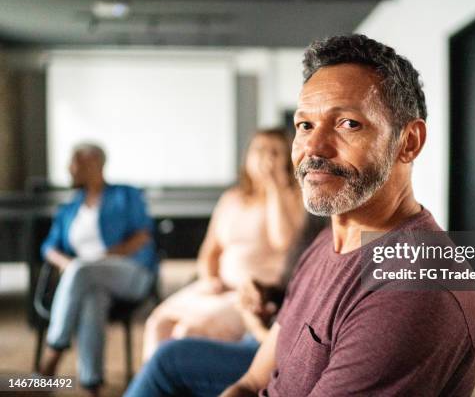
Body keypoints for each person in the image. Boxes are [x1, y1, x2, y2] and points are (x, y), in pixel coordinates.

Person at [221, 34, 475, 397]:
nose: (313, 147)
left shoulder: (413, 291)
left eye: (348, 123)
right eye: (305, 126)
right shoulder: (329, 240)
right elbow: (252, 383)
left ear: (409, 142)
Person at [141, 128, 304, 362]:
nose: (265, 158)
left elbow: (285, 242)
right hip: (218, 287)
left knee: (188, 333)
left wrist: (273, 187)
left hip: (251, 296)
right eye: (259, 150)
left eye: (275, 152)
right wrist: (210, 278)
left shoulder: (293, 197)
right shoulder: (231, 198)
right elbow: (211, 251)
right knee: (159, 323)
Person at [123, 215, 327, 397]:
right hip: (268, 335)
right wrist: (268, 294)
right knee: (164, 335)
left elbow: (318, 348)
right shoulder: (322, 223)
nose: (311, 171)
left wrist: (261, 331)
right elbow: (299, 289)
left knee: (168, 359)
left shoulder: (358, 244)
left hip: (277, 350)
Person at [38, 143, 158, 396]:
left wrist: (100, 258)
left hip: (131, 272)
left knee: (83, 271)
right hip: (85, 279)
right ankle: (92, 384)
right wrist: (66, 264)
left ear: (94, 163)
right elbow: (49, 246)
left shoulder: (126, 195)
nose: (69, 168)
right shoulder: (70, 208)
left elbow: (143, 236)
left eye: (74, 162)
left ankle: (51, 357)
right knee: (93, 297)